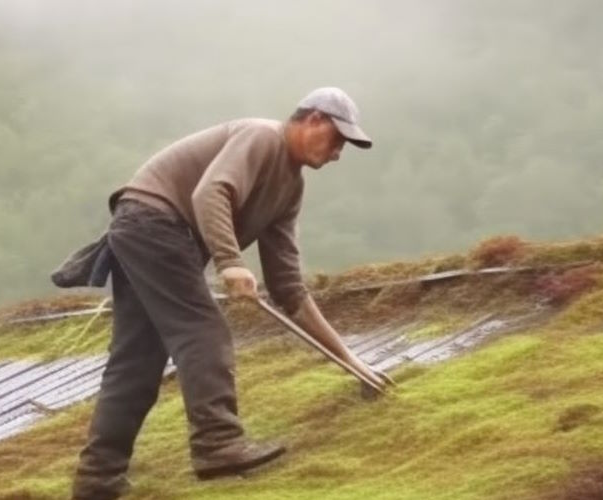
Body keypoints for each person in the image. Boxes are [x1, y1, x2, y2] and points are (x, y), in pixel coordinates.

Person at [51, 87, 390, 499]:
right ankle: (217, 443)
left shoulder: (290, 189)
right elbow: (210, 192)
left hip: (147, 233)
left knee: (136, 362)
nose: (337, 153)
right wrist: (231, 262)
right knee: (203, 331)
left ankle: (96, 481)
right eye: (337, 139)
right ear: (314, 119)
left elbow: (288, 287)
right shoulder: (263, 137)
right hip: (153, 222)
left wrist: (353, 361)